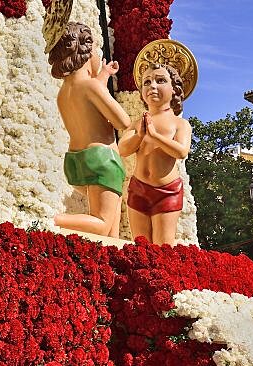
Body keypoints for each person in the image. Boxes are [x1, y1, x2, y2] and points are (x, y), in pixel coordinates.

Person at [49, 22, 132, 237]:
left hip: (76, 160)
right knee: (102, 222)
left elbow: (89, 107)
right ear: (85, 51)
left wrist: (102, 75)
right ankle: (48, 218)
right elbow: (122, 121)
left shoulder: (64, 92)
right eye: (95, 49)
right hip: (101, 159)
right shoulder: (91, 86)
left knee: (111, 232)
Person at [119, 61, 192, 245]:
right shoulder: (137, 124)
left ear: (174, 88)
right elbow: (123, 149)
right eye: (147, 82)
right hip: (139, 188)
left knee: (163, 247)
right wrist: (141, 135)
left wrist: (154, 135)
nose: (152, 86)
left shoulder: (179, 124)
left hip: (167, 191)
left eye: (160, 80)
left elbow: (181, 151)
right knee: (141, 246)